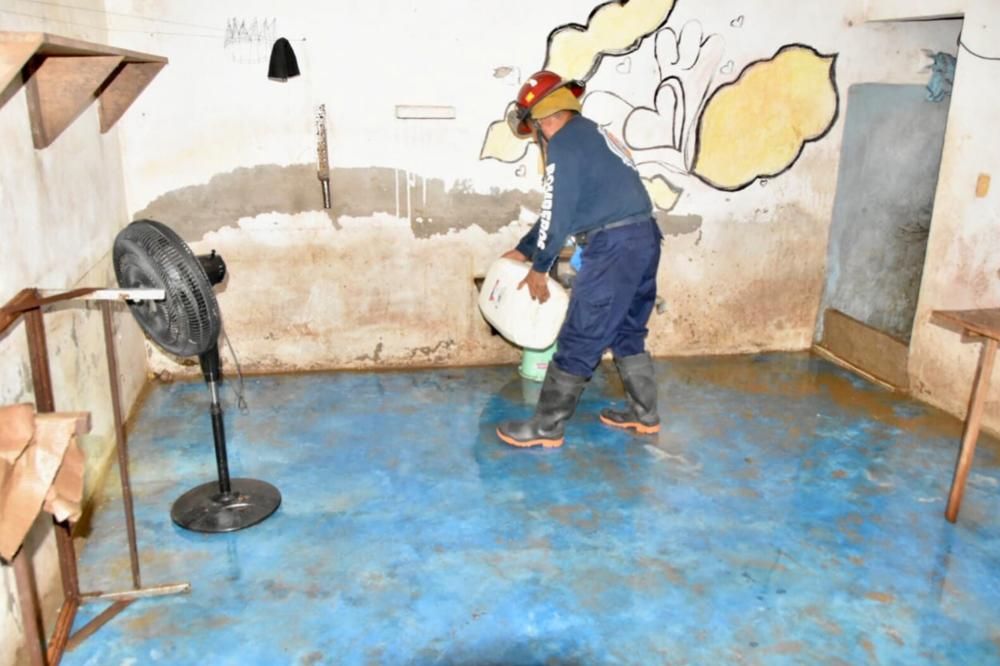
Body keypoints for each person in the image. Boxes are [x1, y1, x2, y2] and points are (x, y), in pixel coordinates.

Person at [495, 70, 664, 449]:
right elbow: (564, 209)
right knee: (627, 329)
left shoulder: (564, 144)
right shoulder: (593, 135)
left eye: (533, 130)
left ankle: (546, 427)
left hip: (613, 248)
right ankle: (644, 414)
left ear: (541, 122)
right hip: (643, 238)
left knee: (580, 334)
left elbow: (557, 212)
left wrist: (539, 267)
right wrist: (525, 248)